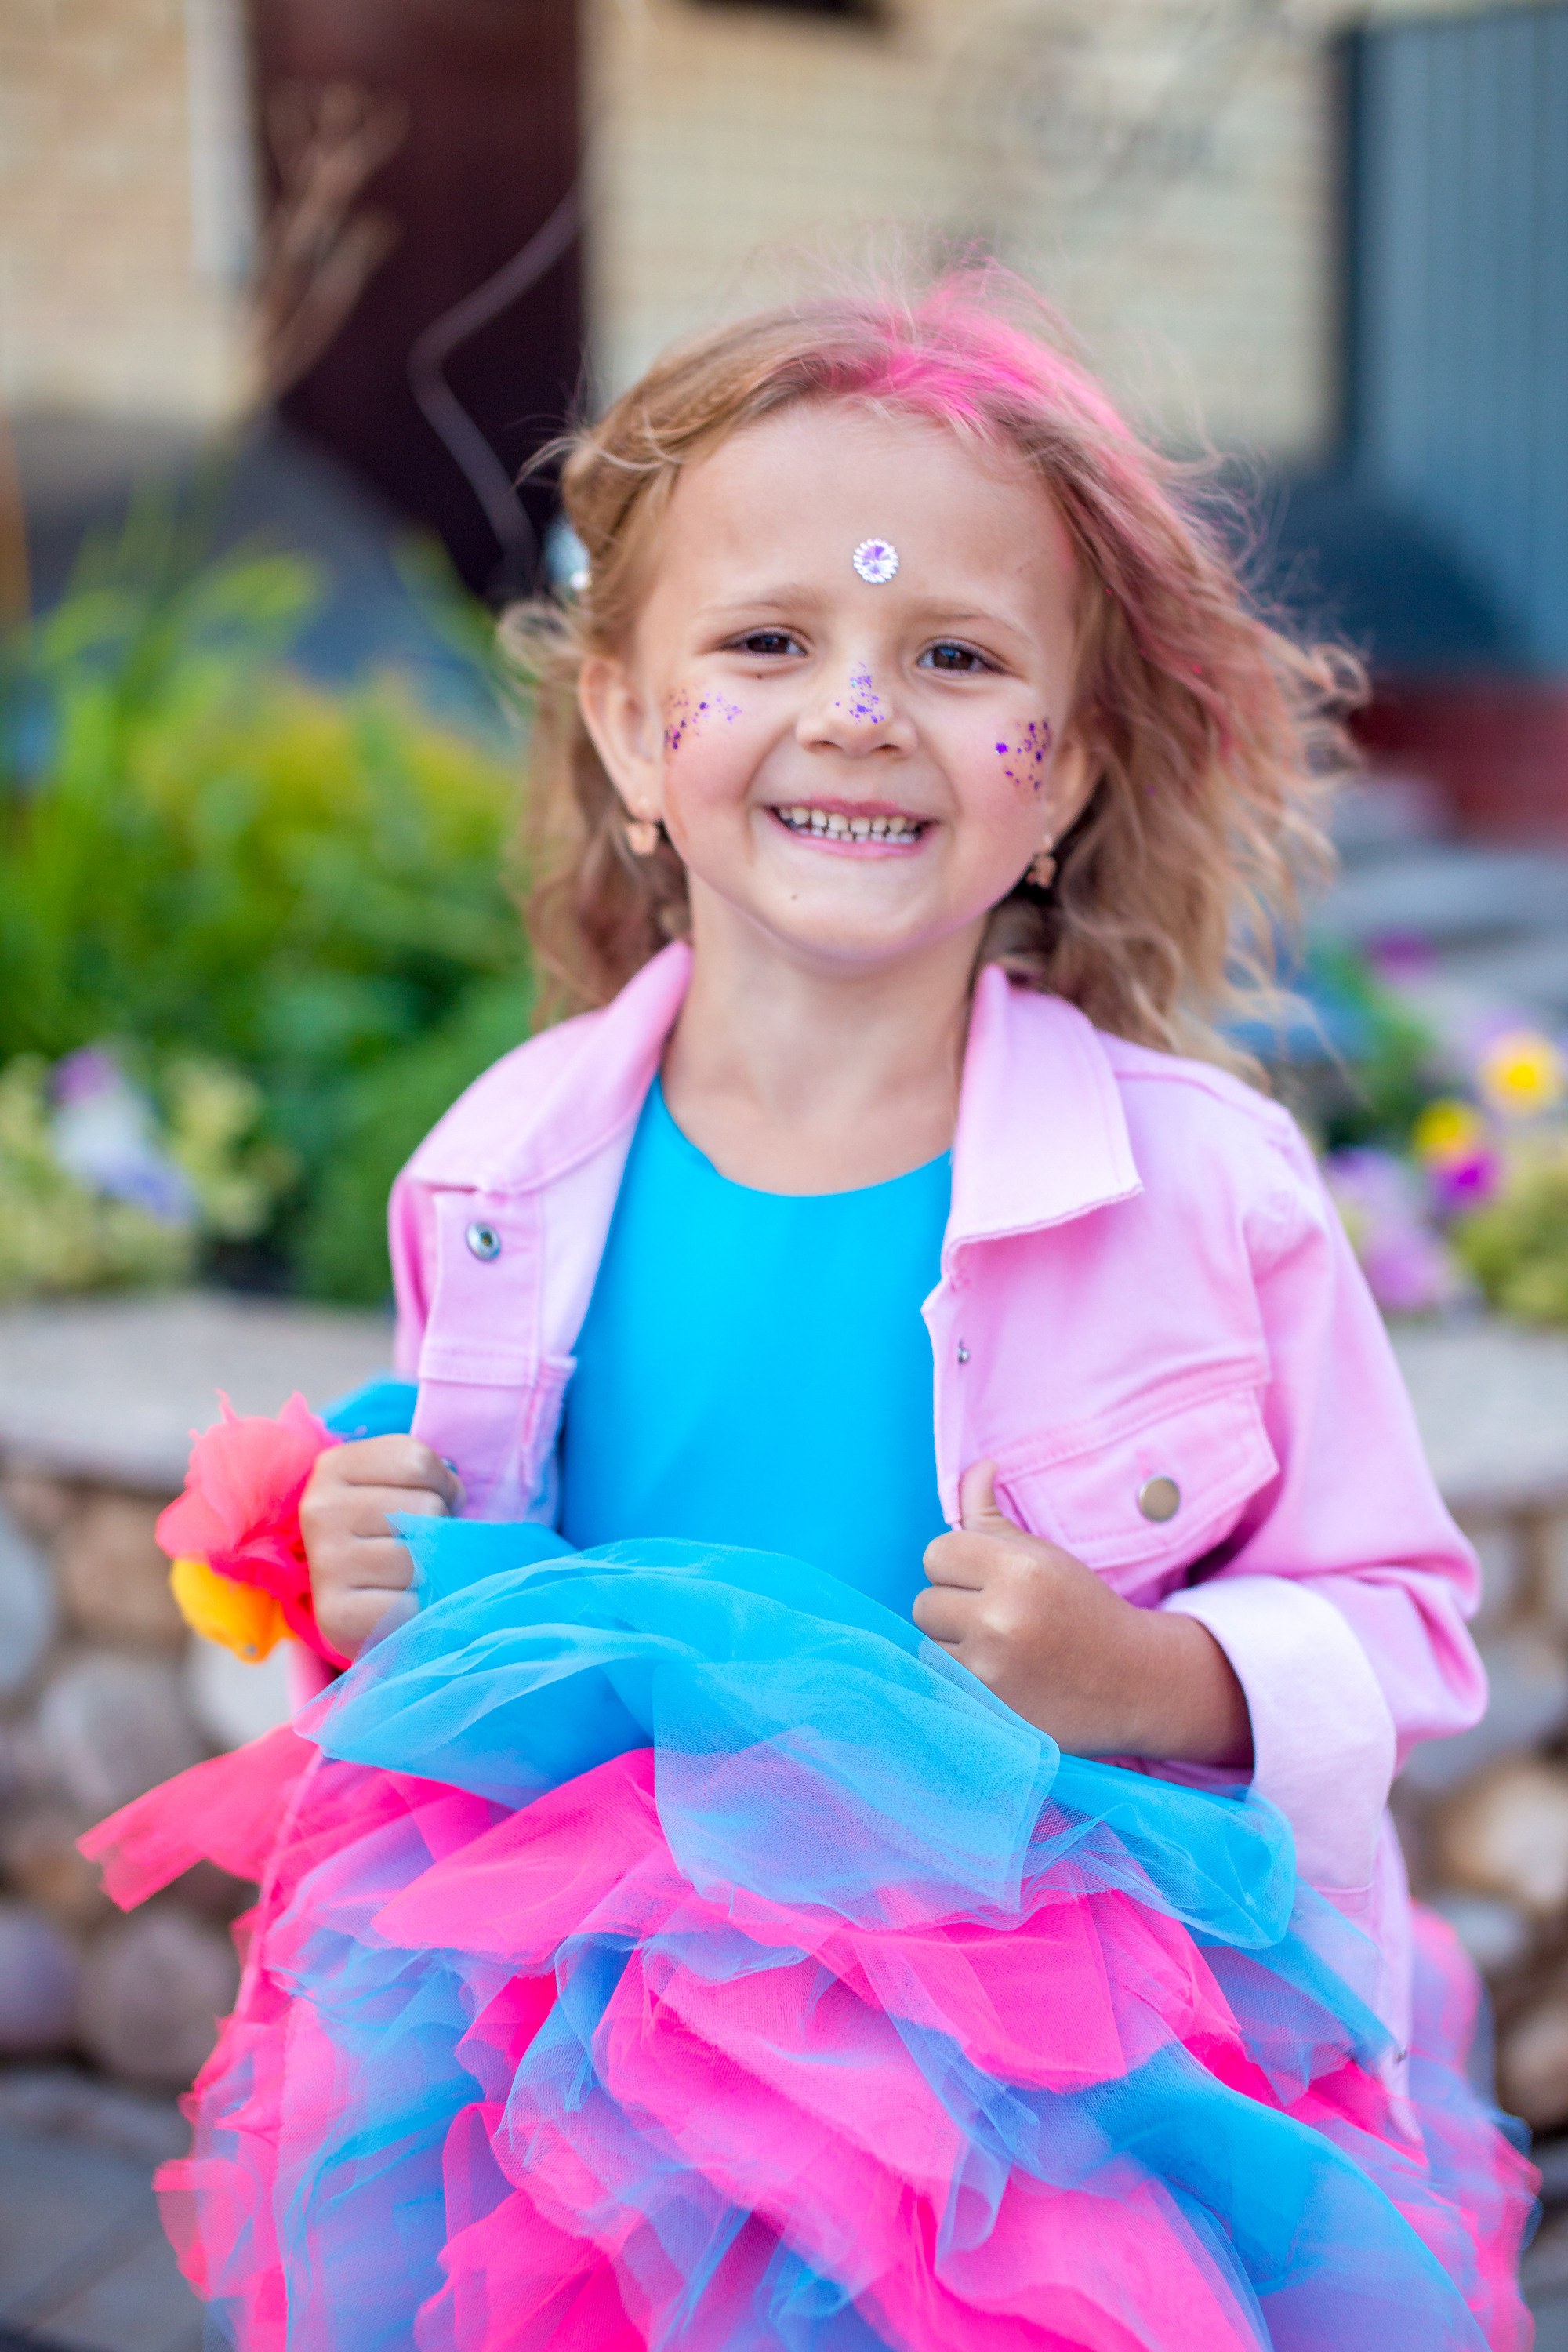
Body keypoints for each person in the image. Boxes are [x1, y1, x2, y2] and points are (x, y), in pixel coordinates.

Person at [85, 269, 1535, 2350]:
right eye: (766, 643)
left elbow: (1397, 1612)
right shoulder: (504, 1168)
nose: (858, 708)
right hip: (568, 2046)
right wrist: (354, 1555)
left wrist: (1144, 1673)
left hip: (1041, 2085)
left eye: (956, 656)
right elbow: (476, 1576)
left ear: (1067, 769)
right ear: (622, 727)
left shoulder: (1205, 1189)